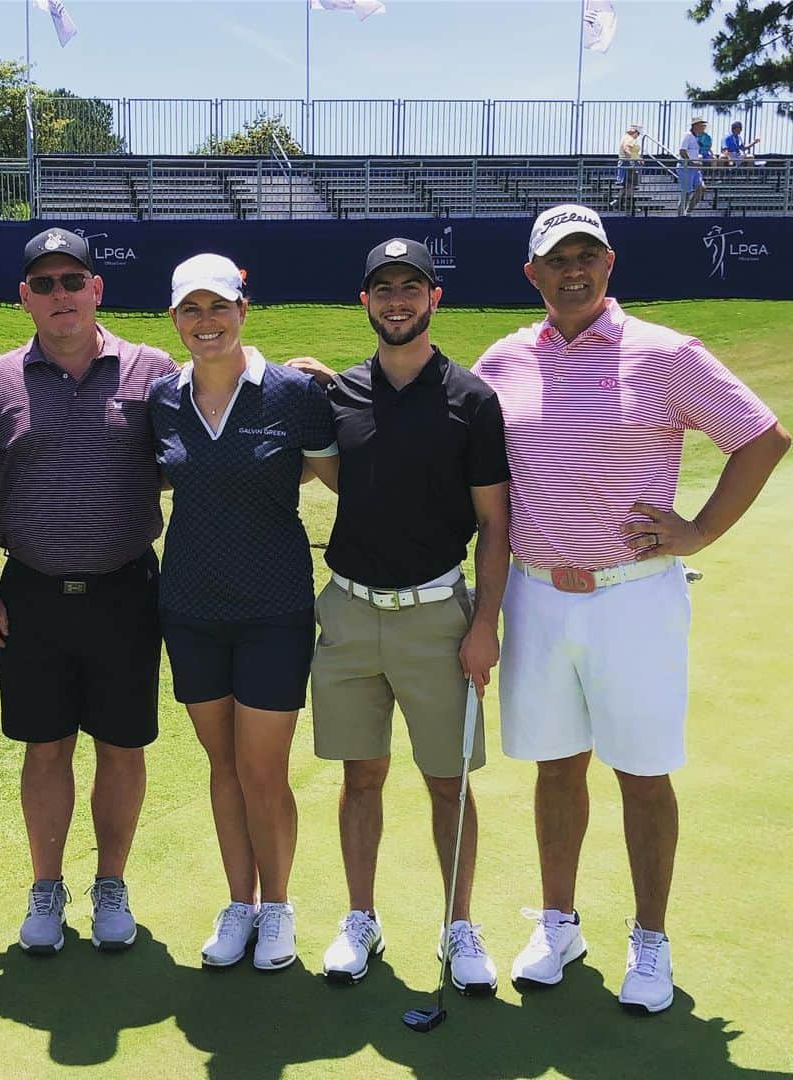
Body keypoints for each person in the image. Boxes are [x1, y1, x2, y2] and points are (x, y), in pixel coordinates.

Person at [472, 204, 790, 1014]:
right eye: (557, 259)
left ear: (609, 266)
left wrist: (701, 530)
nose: (573, 270)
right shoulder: (502, 361)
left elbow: (761, 436)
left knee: (643, 776)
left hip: (634, 600)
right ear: (532, 274)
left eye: (588, 256)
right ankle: (558, 923)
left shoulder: (665, 353)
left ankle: (650, 938)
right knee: (555, 767)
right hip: (537, 596)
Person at [290, 238, 510, 993]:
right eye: (382, 288)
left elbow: (495, 522)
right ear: (365, 302)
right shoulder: (343, 394)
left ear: (433, 297)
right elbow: (339, 474)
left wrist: (485, 623)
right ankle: (362, 919)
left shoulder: (472, 399)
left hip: (436, 617)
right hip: (349, 613)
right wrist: (309, 383)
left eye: (409, 287)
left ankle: (458, 925)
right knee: (361, 778)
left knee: (447, 782)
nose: (396, 300)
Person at [0, 229, 176, 956]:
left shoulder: (152, 372)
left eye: (72, 281)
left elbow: (204, 448)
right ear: (24, 297)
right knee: (45, 747)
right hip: (33, 595)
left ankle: (110, 884)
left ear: (96, 291)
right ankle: (46, 886)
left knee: (121, 745)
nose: (60, 296)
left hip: (125, 591)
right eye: (44, 284)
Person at [149, 254, 338, 972]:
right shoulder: (163, 399)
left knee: (263, 769)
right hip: (191, 607)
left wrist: (338, 382)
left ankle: (280, 907)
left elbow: (351, 477)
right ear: (175, 320)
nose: (206, 322)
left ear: (243, 311)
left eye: (218, 306)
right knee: (222, 765)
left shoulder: (292, 394)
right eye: (190, 310)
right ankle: (240, 904)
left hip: (273, 610)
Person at [677, 118, 707, 215]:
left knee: (701, 188)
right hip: (686, 168)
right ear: (696, 125)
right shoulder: (688, 135)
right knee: (686, 193)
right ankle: (681, 215)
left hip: (694, 169)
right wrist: (692, 163)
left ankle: (688, 211)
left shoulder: (696, 137)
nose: (704, 127)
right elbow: (682, 151)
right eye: (702, 125)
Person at [612, 123, 642, 210]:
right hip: (628, 164)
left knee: (626, 186)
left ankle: (618, 203)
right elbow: (627, 149)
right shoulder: (631, 139)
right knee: (630, 186)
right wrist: (635, 159)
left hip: (624, 163)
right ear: (636, 132)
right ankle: (629, 205)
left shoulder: (625, 137)